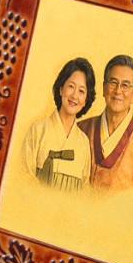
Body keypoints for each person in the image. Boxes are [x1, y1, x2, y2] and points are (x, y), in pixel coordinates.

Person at [22, 58, 96, 191]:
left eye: (81, 91)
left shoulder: (84, 143)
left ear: (85, 100)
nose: (74, 96)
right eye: (71, 86)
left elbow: (84, 190)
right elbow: (24, 176)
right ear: (61, 89)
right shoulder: (37, 130)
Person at [79, 54, 133, 190]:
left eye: (125, 86)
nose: (118, 91)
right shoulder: (81, 128)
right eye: (113, 83)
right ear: (104, 88)